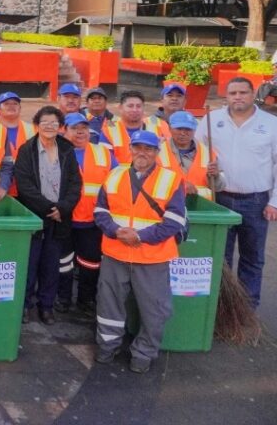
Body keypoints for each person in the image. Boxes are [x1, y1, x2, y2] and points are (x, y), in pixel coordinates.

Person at [94, 130, 186, 374]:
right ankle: (107, 346)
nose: (142, 153)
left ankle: (143, 353)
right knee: (108, 306)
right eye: (137, 148)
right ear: (130, 149)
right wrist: (115, 231)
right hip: (115, 253)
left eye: (148, 149)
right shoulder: (114, 175)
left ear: (156, 152)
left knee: (154, 309)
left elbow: (175, 221)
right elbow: (100, 211)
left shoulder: (171, 179)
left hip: (152, 258)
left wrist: (140, 236)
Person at [196, 77, 277, 308]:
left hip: (256, 201)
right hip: (219, 199)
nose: (238, 97)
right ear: (226, 96)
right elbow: (197, 154)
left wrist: (274, 202)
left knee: (253, 259)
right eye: (233, 93)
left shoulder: (271, 124)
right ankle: (221, 309)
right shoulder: (211, 120)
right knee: (220, 259)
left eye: (243, 92)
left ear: (253, 94)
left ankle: (247, 310)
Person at [13, 106, 82, 325]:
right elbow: (24, 185)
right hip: (35, 217)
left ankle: (46, 306)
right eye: (45, 122)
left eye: (54, 123)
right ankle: (24, 306)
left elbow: (75, 183)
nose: (50, 127)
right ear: (37, 126)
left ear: (60, 126)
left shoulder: (67, 150)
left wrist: (63, 208)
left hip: (60, 219)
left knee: (51, 266)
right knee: (29, 264)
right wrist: (49, 209)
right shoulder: (26, 150)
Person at [59, 112, 117, 317]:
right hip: (64, 219)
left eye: (83, 128)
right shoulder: (57, 152)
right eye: (75, 128)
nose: (80, 132)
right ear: (64, 131)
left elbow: (116, 181)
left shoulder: (103, 153)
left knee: (90, 263)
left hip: (93, 221)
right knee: (63, 263)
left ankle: (86, 301)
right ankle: (63, 299)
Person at [160, 110, 222, 200]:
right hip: (169, 205)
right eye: (179, 129)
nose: (183, 133)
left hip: (202, 206)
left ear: (194, 130)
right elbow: (150, 183)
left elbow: (219, 187)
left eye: (188, 129)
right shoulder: (158, 152)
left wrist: (216, 177)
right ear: (169, 128)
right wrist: (180, 185)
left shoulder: (209, 153)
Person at [102, 90, 171, 164]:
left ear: (143, 108)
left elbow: (164, 160)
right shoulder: (108, 133)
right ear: (120, 108)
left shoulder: (157, 131)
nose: (135, 110)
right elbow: (106, 162)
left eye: (138, 106)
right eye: (130, 106)